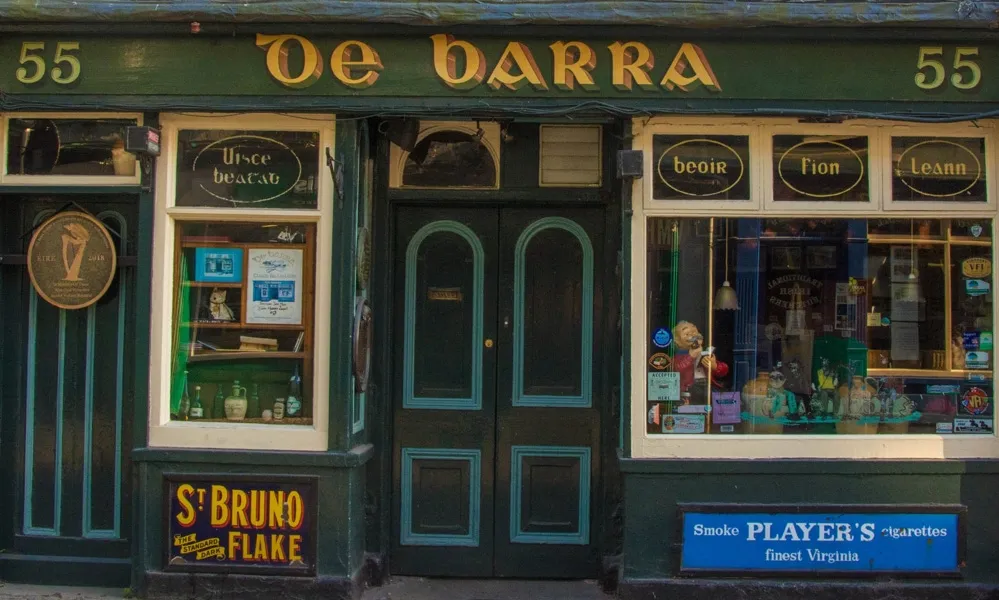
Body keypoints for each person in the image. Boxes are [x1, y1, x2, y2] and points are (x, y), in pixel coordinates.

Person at [671, 321, 728, 405]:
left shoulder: (705, 354)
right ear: (678, 342)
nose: (693, 336)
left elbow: (724, 370)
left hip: (707, 389)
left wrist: (715, 366)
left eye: (694, 332)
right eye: (687, 334)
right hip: (689, 391)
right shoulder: (678, 357)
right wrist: (690, 356)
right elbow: (678, 369)